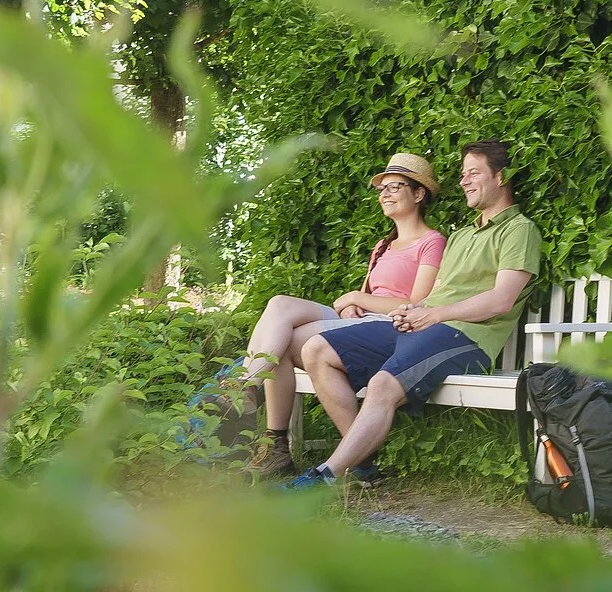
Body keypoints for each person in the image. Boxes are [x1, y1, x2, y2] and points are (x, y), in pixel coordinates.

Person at [285, 140, 540, 489]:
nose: (464, 181)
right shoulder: (463, 235)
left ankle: (326, 477)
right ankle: (363, 460)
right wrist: (413, 310)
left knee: (382, 385)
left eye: (474, 173)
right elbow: (437, 294)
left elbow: (501, 300)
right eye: (462, 174)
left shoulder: (519, 230)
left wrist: (434, 315)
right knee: (317, 349)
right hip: (426, 326)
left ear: (501, 177)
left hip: (466, 337)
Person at [228, 152, 448, 481]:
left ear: (419, 194)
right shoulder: (383, 245)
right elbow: (365, 298)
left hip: (392, 329)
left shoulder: (432, 242)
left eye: (395, 186)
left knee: (285, 343)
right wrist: (350, 305)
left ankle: (275, 439)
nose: (384, 193)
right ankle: (248, 392)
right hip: (361, 323)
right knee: (278, 305)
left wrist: (358, 298)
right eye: (381, 188)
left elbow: (416, 304)